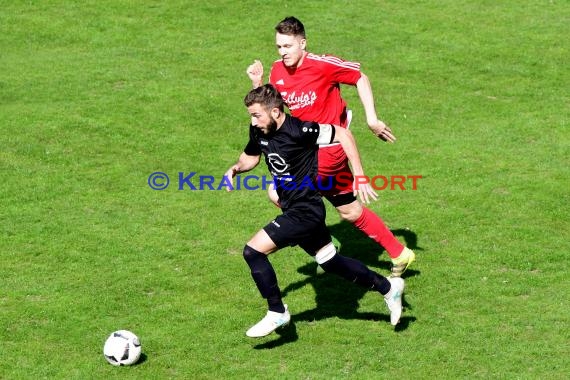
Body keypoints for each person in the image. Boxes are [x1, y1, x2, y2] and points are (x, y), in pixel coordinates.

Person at [224, 84, 404, 338]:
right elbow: (251, 156)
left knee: (253, 251)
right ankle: (388, 287)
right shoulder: (260, 129)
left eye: (256, 115)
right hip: (292, 206)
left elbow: (343, 134)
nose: (253, 121)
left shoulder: (300, 130)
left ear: (276, 112)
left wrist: (360, 176)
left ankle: (277, 312)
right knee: (330, 261)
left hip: (305, 212)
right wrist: (235, 169)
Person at [246, 16, 415, 277]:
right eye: (279, 47)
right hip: (310, 149)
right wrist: (257, 85)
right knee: (349, 210)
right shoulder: (277, 71)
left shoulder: (323, 65)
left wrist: (372, 119)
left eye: (288, 46)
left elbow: (359, 77)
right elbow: (272, 109)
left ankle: (321, 242)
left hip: (331, 148)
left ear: (303, 43)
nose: (282, 52)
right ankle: (400, 253)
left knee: (278, 190)